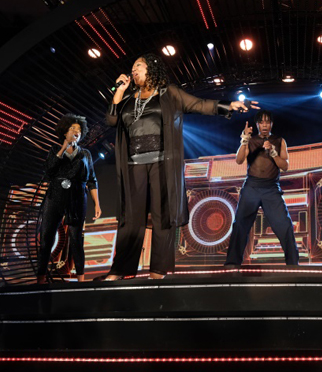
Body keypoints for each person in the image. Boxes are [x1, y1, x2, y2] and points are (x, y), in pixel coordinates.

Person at [101, 53, 257, 281]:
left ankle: (158, 270)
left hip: (162, 163)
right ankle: (120, 270)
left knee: (163, 216)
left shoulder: (169, 93)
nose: (133, 70)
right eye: (132, 67)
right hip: (134, 164)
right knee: (130, 218)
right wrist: (119, 91)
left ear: (151, 69)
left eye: (138, 65)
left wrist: (227, 105)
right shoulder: (128, 99)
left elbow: (198, 104)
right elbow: (112, 120)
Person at [224, 110, 299, 267]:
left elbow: (285, 166)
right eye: (261, 122)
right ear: (257, 124)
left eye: (267, 122)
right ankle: (232, 264)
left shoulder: (279, 140)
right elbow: (239, 160)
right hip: (251, 187)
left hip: (271, 189)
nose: (264, 125)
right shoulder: (251, 140)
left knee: (285, 225)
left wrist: (273, 152)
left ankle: (293, 265)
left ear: (272, 124)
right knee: (240, 225)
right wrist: (244, 140)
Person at [37, 114, 102, 284]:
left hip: (77, 197)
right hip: (55, 196)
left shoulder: (85, 154)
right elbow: (49, 171)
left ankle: (81, 279)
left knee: (76, 239)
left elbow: (92, 180)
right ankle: (40, 279)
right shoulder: (54, 151)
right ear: (65, 132)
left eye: (79, 129)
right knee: (47, 238)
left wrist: (97, 204)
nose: (76, 132)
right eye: (72, 128)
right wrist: (63, 149)